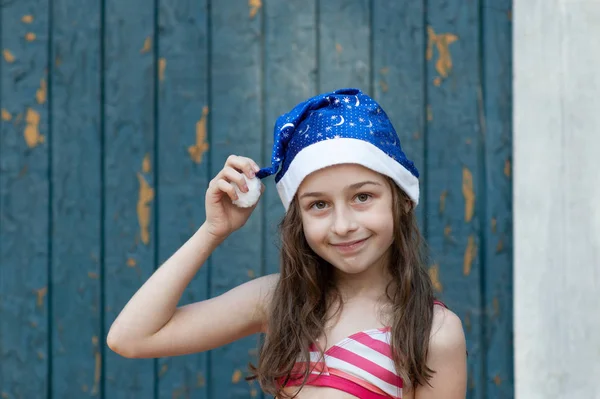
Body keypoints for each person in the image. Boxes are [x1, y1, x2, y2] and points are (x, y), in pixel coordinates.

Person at [107, 88, 467, 398]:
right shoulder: (280, 302)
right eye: (319, 205)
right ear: (300, 217)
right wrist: (213, 231)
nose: (342, 225)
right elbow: (132, 337)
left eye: (362, 197)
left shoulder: (433, 332)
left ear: (402, 200)